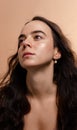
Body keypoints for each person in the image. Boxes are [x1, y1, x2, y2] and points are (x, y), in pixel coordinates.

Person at [0, 16, 77, 130]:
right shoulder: (4, 102)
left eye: (37, 37)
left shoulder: (74, 98)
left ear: (57, 52)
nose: (25, 43)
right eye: (21, 40)